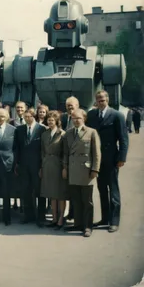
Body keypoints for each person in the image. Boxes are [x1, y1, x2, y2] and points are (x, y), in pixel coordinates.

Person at [87, 90, 129, 233]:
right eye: (98, 100)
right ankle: (105, 218)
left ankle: (114, 221)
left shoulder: (117, 115)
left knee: (113, 189)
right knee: (101, 188)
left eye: (103, 100)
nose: (100, 102)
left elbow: (123, 138)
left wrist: (122, 157)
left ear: (108, 100)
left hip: (111, 158)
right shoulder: (92, 115)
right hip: (97, 158)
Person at [62, 109, 101, 237]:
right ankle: (78, 224)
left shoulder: (91, 132)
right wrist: (65, 167)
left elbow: (96, 153)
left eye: (78, 118)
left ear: (84, 119)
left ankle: (88, 226)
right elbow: (66, 153)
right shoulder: (68, 133)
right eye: (73, 118)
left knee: (87, 201)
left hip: (86, 171)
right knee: (76, 200)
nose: (76, 121)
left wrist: (95, 169)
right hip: (73, 170)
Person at [14, 108, 48, 226]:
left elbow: (44, 149)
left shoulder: (41, 129)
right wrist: (17, 163)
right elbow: (17, 147)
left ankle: (41, 216)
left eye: (29, 117)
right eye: (25, 117)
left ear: (34, 117)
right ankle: (28, 215)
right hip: (24, 166)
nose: (27, 119)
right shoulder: (19, 129)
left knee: (39, 191)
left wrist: (42, 166)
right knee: (26, 191)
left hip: (37, 166)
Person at [40, 111, 68, 229]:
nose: (50, 122)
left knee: (60, 193)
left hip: (58, 165)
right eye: (48, 120)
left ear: (57, 121)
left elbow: (65, 153)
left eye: (52, 120)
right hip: (47, 165)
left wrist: (65, 168)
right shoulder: (45, 134)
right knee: (51, 193)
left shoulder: (62, 134)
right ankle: (54, 218)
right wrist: (42, 166)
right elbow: (42, 151)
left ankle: (61, 218)